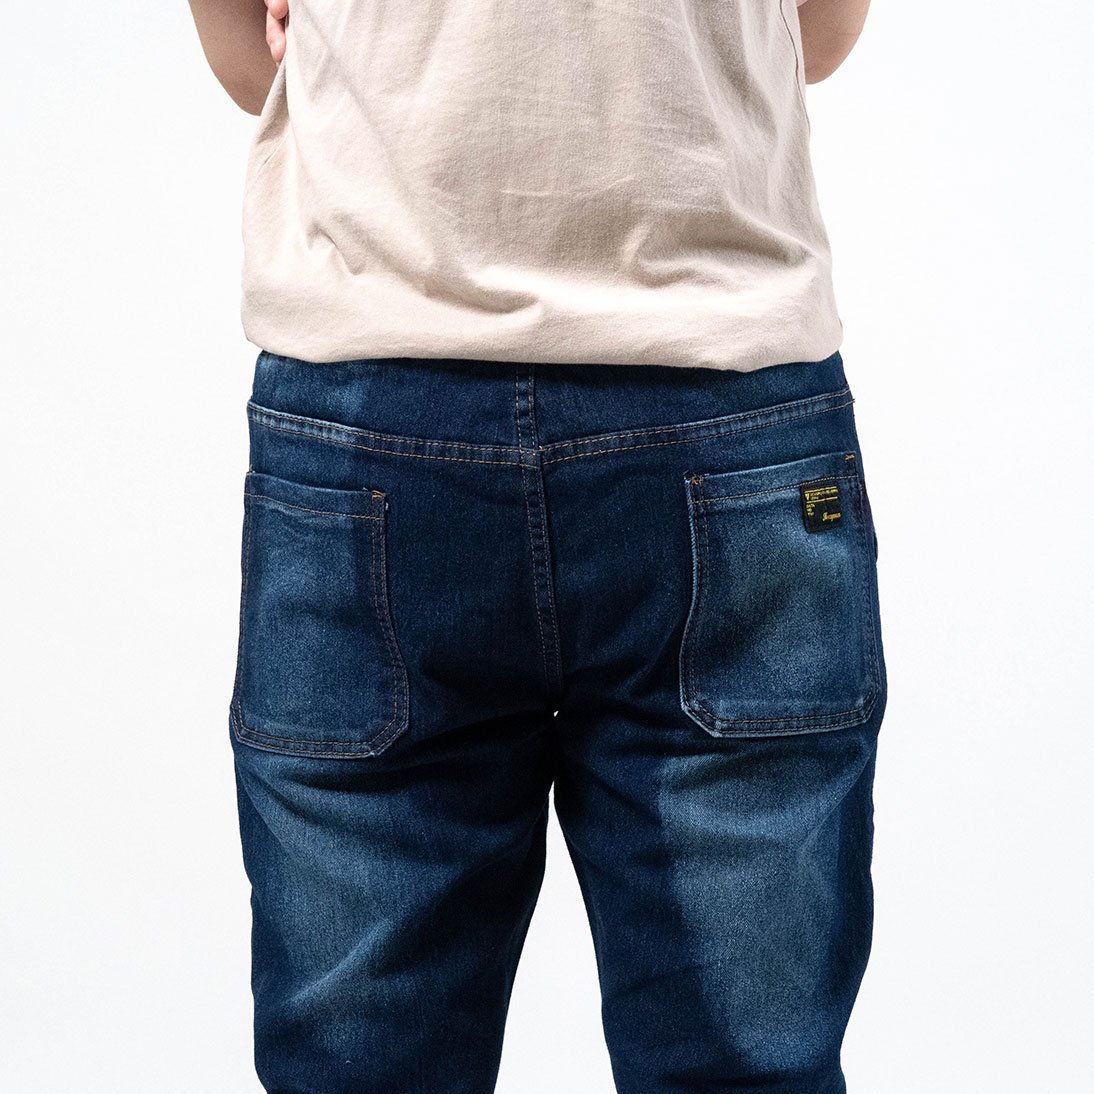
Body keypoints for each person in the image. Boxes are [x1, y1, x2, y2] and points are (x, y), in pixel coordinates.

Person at [187, 2, 883, 1091]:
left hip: (372, 426)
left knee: (359, 1069)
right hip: (719, 412)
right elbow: (819, 41)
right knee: (746, 1069)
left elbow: (250, 67)